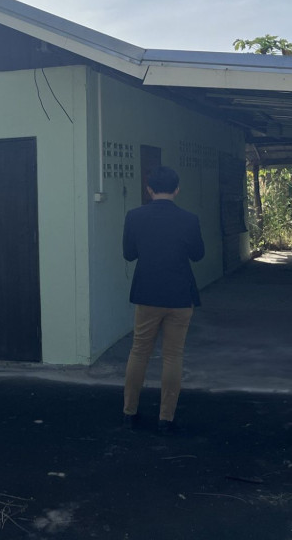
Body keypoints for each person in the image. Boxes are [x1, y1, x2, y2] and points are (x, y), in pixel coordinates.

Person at [121, 165, 205, 435]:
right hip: (180, 295)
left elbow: (129, 254)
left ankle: (130, 412)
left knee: (139, 352)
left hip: (146, 293)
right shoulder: (189, 219)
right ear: (177, 189)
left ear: (149, 189)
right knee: (173, 355)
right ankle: (166, 418)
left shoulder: (134, 216)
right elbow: (198, 255)